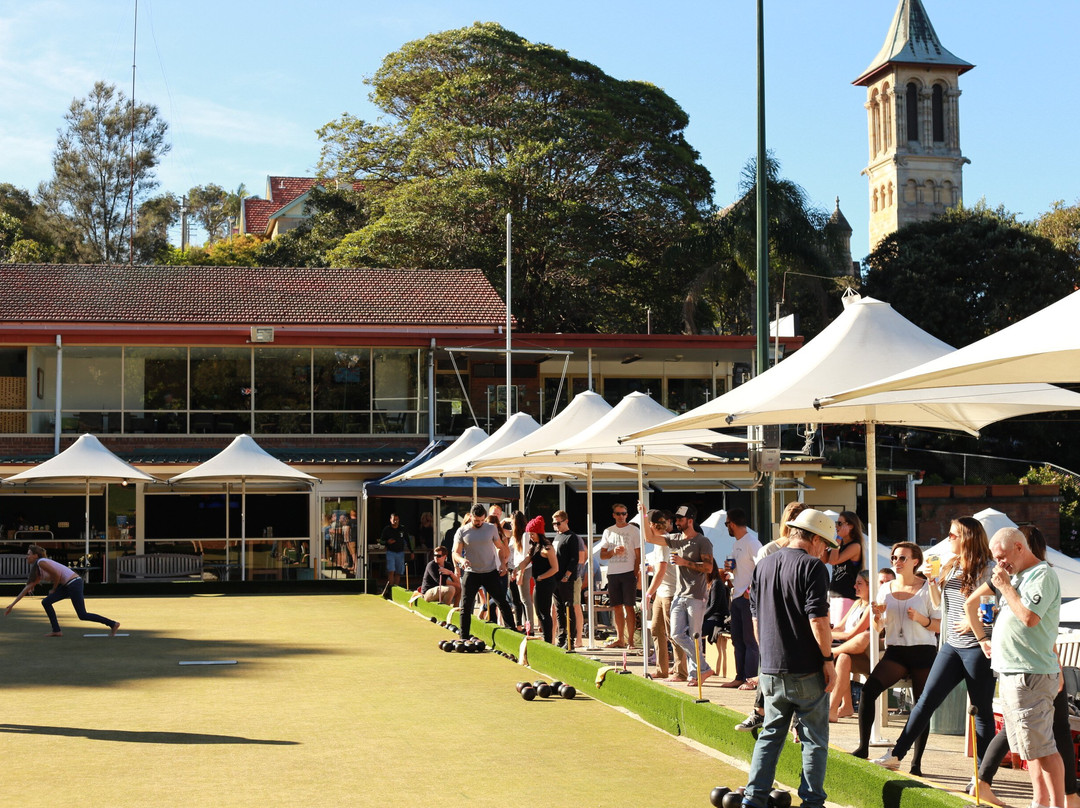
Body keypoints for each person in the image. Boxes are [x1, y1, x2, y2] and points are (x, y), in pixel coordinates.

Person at [873, 517, 996, 773]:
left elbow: (993, 606)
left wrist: (974, 621)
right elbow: (939, 604)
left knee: (981, 710)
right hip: (951, 645)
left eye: (953, 535)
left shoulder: (987, 568)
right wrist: (931, 580)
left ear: (968, 538)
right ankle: (896, 755)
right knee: (926, 701)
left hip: (977, 647)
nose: (948, 539)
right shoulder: (952, 565)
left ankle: (983, 775)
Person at [972, 525, 1079, 808]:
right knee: (1030, 749)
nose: (999, 563)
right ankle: (1041, 802)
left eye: (1002, 555)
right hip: (1013, 672)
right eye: (995, 558)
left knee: (1043, 748)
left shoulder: (1041, 574)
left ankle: (1057, 804)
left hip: (1029, 674)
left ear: (1020, 547)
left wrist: (1006, 587)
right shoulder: (1019, 575)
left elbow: (1030, 618)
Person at [740, 508, 837, 808]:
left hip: (770, 666)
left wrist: (768, 656)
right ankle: (811, 803)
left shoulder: (764, 564)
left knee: (770, 735)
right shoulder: (813, 567)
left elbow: (756, 620)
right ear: (816, 539)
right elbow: (818, 620)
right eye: (827, 545)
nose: (826, 551)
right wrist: (828, 659)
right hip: (805, 666)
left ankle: (752, 799)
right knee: (814, 741)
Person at [851, 541, 938, 775]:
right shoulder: (886, 587)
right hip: (896, 651)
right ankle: (862, 747)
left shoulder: (927, 587)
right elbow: (879, 626)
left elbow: (939, 625)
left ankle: (916, 763)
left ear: (915, 561)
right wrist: (877, 618)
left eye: (902, 558)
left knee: (921, 706)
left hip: (923, 650)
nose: (896, 562)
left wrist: (920, 619)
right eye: (894, 558)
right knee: (869, 690)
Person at [735, 500, 807, 732]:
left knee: (798, 666)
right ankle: (759, 711)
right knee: (767, 661)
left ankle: (795, 720)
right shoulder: (769, 549)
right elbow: (758, 586)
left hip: (800, 613)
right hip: (773, 613)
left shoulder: (812, 548)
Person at [639, 503, 715, 687]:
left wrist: (684, 562)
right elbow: (649, 538)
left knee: (695, 636)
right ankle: (703, 668)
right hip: (680, 595)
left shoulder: (702, 542)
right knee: (676, 634)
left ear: (690, 521)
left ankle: (694, 673)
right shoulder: (676, 539)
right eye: (676, 519)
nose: (676, 522)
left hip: (696, 595)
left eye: (680, 519)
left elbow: (708, 568)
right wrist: (643, 515)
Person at [5, 545, 120, 637]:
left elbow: (57, 574)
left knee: (82, 615)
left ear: (35, 555)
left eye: (28, 554)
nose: (26, 557)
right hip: (68, 585)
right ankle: (56, 631)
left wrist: (54, 589)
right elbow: (27, 588)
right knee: (46, 602)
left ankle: (113, 624)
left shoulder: (41, 562)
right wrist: (12, 605)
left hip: (74, 583)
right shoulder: (39, 569)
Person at [451, 504, 515, 641]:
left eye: (481, 520)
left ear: (484, 517)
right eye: (476, 521)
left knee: (502, 602)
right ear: (471, 517)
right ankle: (464, 637)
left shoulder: (491, 528)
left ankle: (513, 632)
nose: (479, 523)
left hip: (490, 571)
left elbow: (499, 547)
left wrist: (503, 563)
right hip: (471, 572)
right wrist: (461, 560)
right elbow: (455, 553)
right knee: (466, 606)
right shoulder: (462, 531)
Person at [645, 510, 688, 681]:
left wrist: (649, 592)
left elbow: (662, 569)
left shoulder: (664, 541)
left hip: (670, 592)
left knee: (673, 633)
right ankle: (662, 669)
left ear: (651, 525)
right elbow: (660, 568)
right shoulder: (659, 542)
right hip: (662, 593)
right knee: (656, 629)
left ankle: (680, 672)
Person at [722, 507, 761, 690]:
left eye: (727, 523)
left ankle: (751, 679)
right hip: (737, 595)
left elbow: (762, 567)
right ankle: (740, 677)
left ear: (733, 523)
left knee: (750, 640)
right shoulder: (737, 543)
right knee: (737, 639)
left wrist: (750, 589)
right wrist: (730, 571)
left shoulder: (752, 542)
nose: (727, 527)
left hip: (747, 598)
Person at [829, 570, 872, 722]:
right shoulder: (857, 603)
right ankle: (845, 706)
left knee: (844, 653)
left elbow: (852, 635)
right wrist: (825, 632)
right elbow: (840, 628)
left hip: (866, 654)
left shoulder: (872, 607)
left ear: (869, 585)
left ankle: (832, 708)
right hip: (848, 650)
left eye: (859, 583)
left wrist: (829, 636)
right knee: (843, 658)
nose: (855, 586)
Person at [597, 503, 641, 650]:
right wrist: (613, 552)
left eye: (623, 513)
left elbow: (639, 555)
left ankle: (631, 642)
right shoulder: (608, 531)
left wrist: (635, 574)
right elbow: (602, 555)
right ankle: (620, 639)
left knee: (629, 607)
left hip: (628, 572)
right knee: (616, 607)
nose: (621, 516)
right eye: (618, 513)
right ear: (614, 515)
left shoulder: (634, 530)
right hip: (613, 572)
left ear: (627, 515)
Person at [515, 515, 560, 643]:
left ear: (539, 533)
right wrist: (516, 570)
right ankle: (546, 639)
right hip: (538, 583)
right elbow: (526, 561)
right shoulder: (534, 546)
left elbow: (555, 568)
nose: (531, 536)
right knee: (538, 612)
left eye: (533, 534)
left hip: (547, 582)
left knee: (545, 613)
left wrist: (541, 577)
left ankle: (549, 640)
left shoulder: (547, 548)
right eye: (530, 534)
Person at [826, 511, 864, 626]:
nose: (837, 526)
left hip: (846, 596)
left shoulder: (855, 546)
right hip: (834, 594)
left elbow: (833, 561)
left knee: (838, 631)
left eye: (839, 523)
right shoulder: (839, 546)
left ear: (851, 526)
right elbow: (824, 559)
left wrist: (838, 538)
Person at [551, 510, 581, 649]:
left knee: (568, 608)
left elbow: (574, 558)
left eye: (558, 523)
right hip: (555, 578)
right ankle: (561, 637)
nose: (556, 526)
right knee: (558, 609)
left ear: (566, 521)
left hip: (566, 579)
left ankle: (570, 640)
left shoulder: (571, 537)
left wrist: (567, 575)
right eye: (554, 523)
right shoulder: (557, 537)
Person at [702, 557, 732, 675]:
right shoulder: (709, 583)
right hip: (710, 617)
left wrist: (701, 618)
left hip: (717, 619)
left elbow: (714, 607)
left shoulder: (717, 584)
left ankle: (703, 667)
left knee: (693, 632)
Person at [506, 511, 535, 632]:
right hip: (517, 569)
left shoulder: (525, 535)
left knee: (525, 599)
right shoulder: (515, 535)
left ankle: (531, 628)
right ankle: (527, 626)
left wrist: (520, 572)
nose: (510, 524)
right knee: (520, 599)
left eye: (512, 521)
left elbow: (525, 557)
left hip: (524, 569)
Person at [381, 512, 411, 589]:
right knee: (391, 571)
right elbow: (381, 541)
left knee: (398, 572)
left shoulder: (402, 529)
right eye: (394, 520)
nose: (395, 521)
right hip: (390, 552)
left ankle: (396, 588)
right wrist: (387, 542)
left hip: (400, 553)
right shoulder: (387, 529)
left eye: (397, 520)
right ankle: (390, 588)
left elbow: (408, 540)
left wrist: (412, 551)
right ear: (390, 520)